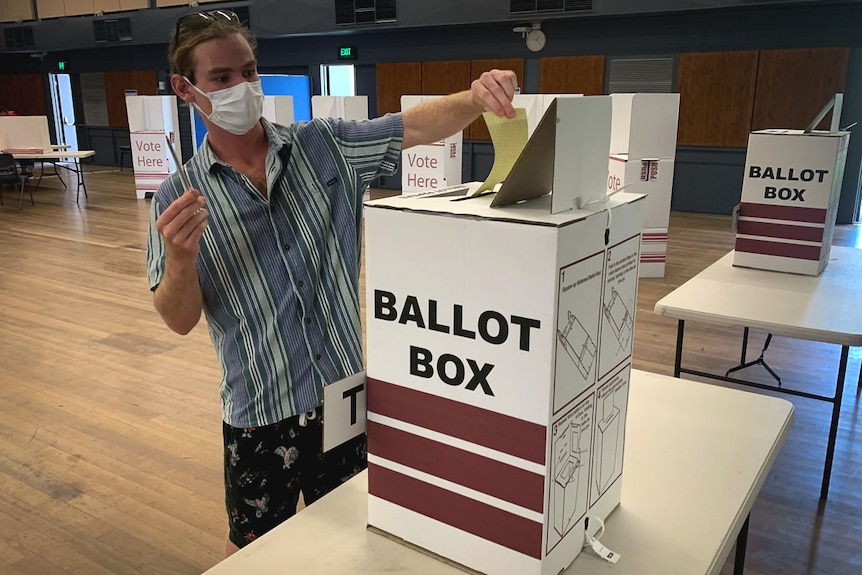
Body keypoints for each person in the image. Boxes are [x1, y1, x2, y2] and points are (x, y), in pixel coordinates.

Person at [146, 9, 517, 556]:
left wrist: (476, 99)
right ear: (185, 88)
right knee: (255, 555)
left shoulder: (324, 146)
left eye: (248, 72)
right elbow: (177, 320)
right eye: (221, 78)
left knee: (356, 541)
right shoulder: (178, 198)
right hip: (258, 412)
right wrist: (180, 259)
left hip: (343, 396)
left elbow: (409, 126)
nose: (241, 88)